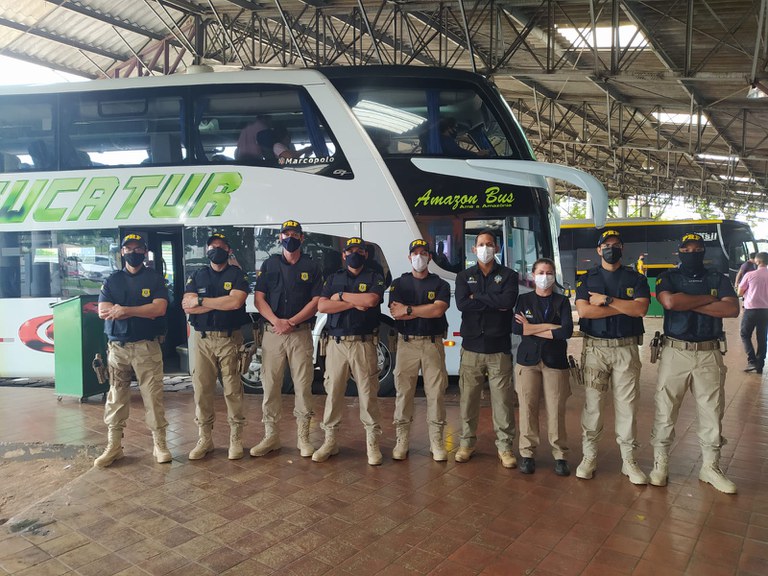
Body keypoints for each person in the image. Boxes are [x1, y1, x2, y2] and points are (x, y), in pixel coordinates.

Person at [650, 233, 740, 493]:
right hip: (674, 351)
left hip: (709, 352)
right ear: (679, 251)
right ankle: (660, 463)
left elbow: (731, 309)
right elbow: (669, 301)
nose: (693, 252)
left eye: (698, 248)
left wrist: (686, 303)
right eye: (687, 248)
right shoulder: (668, 277)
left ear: (704, 251)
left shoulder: (718, 278)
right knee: (665, 409)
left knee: (712, 411)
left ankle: (710, 466)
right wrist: (711, 299)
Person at [574, 229, 650, 485]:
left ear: (622, 248)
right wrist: (621, 308)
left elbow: (640, 309)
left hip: (626, 350)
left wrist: (606, 300)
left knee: (627, 406)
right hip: (595, 350)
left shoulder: (635, 277)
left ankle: (629, 461)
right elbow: (584, 312)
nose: (611, 248)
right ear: (598, 249)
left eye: (616, 244)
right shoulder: (587, 278)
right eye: (607, 244)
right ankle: (589, 457)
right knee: (593, 405)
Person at [94, 232, 171, 467]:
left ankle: (160, 445)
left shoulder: (155, 279)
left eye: (138, 249)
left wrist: (125, 310)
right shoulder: (112, 280)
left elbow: (158, 309)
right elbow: (103, 310)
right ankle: (114, 446)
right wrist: (139, 309)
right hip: (118, 349)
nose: (133, 253)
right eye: (129, 249)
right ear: (122, 252)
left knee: (153, 398)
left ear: (145, 253)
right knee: (116, 397)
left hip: (146, 347)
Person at [250, 220, 323, 458]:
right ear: (280, 238)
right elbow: (259, 298)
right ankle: (271, 436)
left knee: (303, 385)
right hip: (273, 334)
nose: (290, 237)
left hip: (300, 333)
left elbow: (316, 302)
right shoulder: (269, 264)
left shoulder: (311, 266)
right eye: (286, 234)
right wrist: (276, 321)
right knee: (270, 385)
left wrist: (290, 322)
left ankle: (303, 437)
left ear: (302, 238)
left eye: (295, 234)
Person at [313, 237, 386, 465]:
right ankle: (330, 441)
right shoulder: (334, 278)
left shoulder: (375, 277)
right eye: (350, 250)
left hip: (363, 344)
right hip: (336, 345)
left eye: (360, 250)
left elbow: (372, 300)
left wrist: (342, 297)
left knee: (367, 394)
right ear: (344, 255)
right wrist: (355, 302)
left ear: (365, 254)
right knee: (333, 392)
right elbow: (323, 306)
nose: (355, 254)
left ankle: (372, 444)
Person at [182, 233, 251, 460]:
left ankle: (236, 438)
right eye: (212, 246)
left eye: (221, 246)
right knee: (202, 390)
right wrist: (220, 303)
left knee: (232, 390)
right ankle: (205, 438)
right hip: (201, 341)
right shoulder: (197, 275)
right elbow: (187, 307)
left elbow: (235, 302)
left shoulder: (237, 275)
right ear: (207, 250)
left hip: (229, 340)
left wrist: (202, 302)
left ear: (228, 250)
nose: (216, 249)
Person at [454, 231, 518, 467]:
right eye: (481, 245)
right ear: (474, 249)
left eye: (489, 244)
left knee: (502, 401)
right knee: (468, 400)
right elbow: (462, 304)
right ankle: (466, 443)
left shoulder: (509, 275)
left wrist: (477, 297)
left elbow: (507, 302)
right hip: (471, 347)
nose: (485, 248)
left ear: (497, 248)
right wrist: (492, 299)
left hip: (498, 346)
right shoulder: (463, 276)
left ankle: (505, 447)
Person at [388, 239, 451, 461]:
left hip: (432, 344)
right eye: (415, 253)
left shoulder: (441, 284)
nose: (419, 257)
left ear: (430, 257)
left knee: (436, 393)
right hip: (407, 344)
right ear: (409, 257)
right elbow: (396, 313)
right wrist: (420, 310)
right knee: (404, 393)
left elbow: (438, 311)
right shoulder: (399, 283)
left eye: (424, 253)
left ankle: (436, 440)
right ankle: (402, 439)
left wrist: (409, 310)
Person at [512, 258, 573, 476]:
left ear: (554, 275)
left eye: (548, 272)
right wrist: (550, 327)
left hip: (555, 361)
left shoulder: (562, 301)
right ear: (532, 275)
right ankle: (527, 453)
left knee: (556, 408)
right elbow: (518, 330)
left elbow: (565, 331)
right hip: (528, 360)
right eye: (540, 272)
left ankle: (560, 455)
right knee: (527, 406)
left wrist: (533, 328)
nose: (544, 276)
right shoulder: (524, 299)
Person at [737, 251, 768, 373]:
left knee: (745, 334)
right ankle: (760, 364)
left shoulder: (750, 275)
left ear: (758, 261)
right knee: (762, 337)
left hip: (751, 310)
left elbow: (739, 292)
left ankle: (752, 361)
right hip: (766, 311)